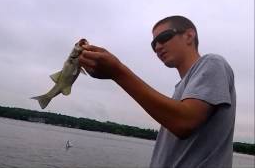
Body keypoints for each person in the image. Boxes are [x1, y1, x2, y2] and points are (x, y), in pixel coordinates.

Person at [78, 15, 236, 168]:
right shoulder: (181, 89)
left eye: (164, 37)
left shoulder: (213, 62)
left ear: (189, 36)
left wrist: (117, 72)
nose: (157, 47)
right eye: (153, 44)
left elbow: (184, 121)